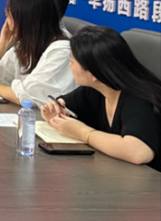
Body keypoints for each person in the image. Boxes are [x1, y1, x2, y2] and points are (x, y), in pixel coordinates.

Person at [42, 26, 160, 172]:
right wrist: (56, 111)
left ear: (93, 74)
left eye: (72, 61)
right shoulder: (95, 89)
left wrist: (83, 133)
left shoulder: (140, 98)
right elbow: (65, 106)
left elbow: (139, 152)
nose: (69, 65)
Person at [0, 0, 74, 105]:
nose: (6, 21)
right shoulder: (26, 43)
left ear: (24, 19)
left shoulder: (61, 50)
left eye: (8, 14)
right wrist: (2, 44)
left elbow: (29, 97)